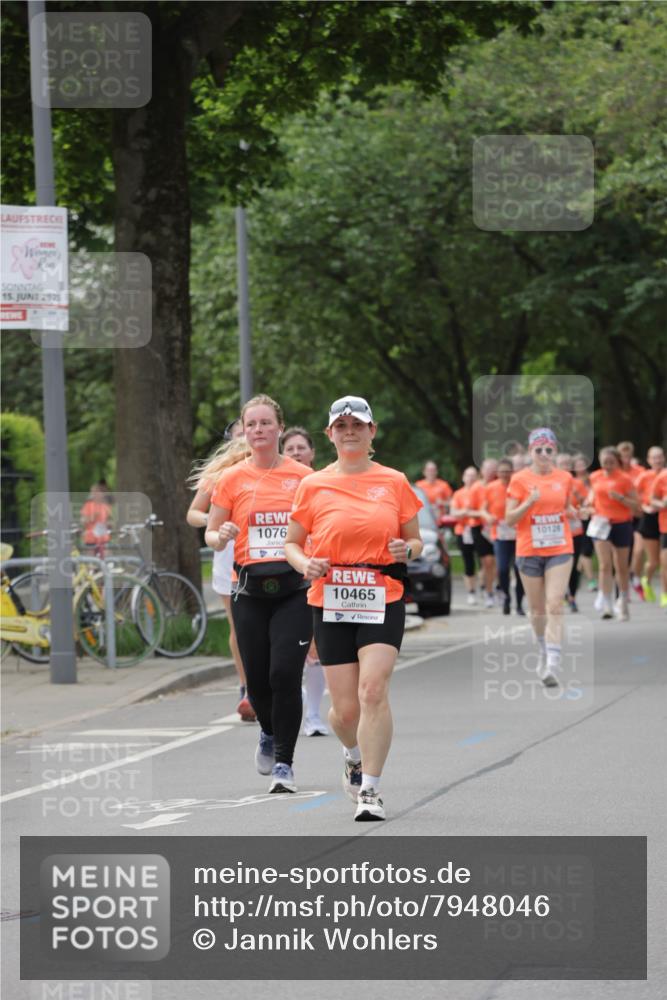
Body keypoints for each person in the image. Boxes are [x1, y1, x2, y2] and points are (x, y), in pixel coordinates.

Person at [285, 395, 423, 821]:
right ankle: (352, 753)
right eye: (341, 426)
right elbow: (290, 542)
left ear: (371, 431)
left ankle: (372, 791)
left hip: (383, 593)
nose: (350, 431)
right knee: (344, 712)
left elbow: (415, 541)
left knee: (373, 691)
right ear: (330, 434)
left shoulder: (395, 481)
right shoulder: (313, 484)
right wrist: (304, 562)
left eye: (357, 425)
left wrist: (408, 549)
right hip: (331, 598)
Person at [205, 394, 312, 794]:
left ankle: (284, 761)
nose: (259, 430)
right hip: (248, 589)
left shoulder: (302, 477)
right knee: (259, 682)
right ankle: (267, 731)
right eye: (252, 424)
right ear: (244, 431)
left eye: (266, 423)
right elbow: (211, 533)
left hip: (294, 588)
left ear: (279, 428)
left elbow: (317, 527)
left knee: (285, 673)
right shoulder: (231, 479)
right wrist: (223, 535)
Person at [187, 420, 256, 722]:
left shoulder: (269, 469)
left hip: (264, 557)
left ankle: (264, 685)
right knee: (239, 626)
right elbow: (193, 514)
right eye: (241, 433)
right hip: (226, 552)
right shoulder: (221, 473)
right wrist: (215, 522)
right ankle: (246, 687)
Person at [505, 428, 576, 687]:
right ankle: (543, 648)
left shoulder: (565, 478)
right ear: (530, 452)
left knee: (555, 604)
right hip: (529, 550)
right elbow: (510, 518)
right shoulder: (519, 480)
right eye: (539, 450)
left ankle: (552, 664)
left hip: (560, 548)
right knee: (537, 611)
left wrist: (577, 511)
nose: (544, 454)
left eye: (549, 449)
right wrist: (529, 502)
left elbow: (565, 506)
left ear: (555, 451)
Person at [282, 426, 328, 737]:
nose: (297, 452)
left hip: (318, 572)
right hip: (283, 573)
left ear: (312, 453)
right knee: (288, 650)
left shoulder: (325, 484)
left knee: (316, 649)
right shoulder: (277, 485)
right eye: (290, 448)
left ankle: (312, 714)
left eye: (302, 448)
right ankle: (293, 704)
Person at [583, 446, 640, 621]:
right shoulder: (594, 477)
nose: (607, 465)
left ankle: (622, 601)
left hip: (621, 524)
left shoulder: (625, 479)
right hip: (601, 524)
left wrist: (621, 498)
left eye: (611, 462)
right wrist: (587, 506)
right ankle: (606, 603)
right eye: (604, 462)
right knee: (604, 565)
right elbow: (591, 499)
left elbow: (636, 506)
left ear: (617, 462)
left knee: (621, 567)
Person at [482, 458, 524, 615]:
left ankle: (519, 603)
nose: (505, 474)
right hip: (499, 534)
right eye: (502, 471)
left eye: (508, 471)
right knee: (502, 568)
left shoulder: (519, 487)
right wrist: (487, 516)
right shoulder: (490, 488)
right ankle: (506, 597)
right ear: (497, 473)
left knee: (519, 569)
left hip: (519, 534)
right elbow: (483, 509)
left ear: (512, 472)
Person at [631, 446, 665, 602]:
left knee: (664, 559)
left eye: (660, 457)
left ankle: (664, 593)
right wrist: (643, 507)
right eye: (654, 457)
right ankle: (646, 579)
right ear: (649, 460)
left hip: (664, 517)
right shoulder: (645, 476)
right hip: (649, 518)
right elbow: (634, 495)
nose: (657, 460)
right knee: (654, 561)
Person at [556, 453, 587, 613]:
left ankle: (572, 597)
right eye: (562, 463)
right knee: (558, 565)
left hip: (574, 531)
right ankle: (559, 594)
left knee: (573, 565)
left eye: (568, 463)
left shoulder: (577, 483)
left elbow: (585, 505)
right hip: (556, 531)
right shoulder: (551, 482)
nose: (565, 466)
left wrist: (580, 501)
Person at [468, 458, 498, 608]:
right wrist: (483, 514)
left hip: (496, 527)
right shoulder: (476, 488)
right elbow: (469, 510)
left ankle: (493, 588)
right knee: (487, 561)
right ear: (482, 471)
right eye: (488, 469)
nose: (491, 472)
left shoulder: (500, 485)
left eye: (494, 469)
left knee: (495, 562)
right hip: (479, 527)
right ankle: (489, 592)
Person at [450, 467, 479, 605]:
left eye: (473, 476)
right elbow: (454, 512)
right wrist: (465, 512)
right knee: (469, 563)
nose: (471, 478)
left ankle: (486, 588)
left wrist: (467, 513)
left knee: (486, 561)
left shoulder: (482, 492)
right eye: (468, 475)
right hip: (463, 530)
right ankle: (471, 592)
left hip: (480, 530)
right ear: (463, 477)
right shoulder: (458, 494)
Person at [572, 453, 596, 592]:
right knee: (585, 551)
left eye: (583, 464)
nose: (581, 468)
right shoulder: (572, 481)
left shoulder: (593, 479)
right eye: (577, 465)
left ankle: (577, 573)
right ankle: (591, 580)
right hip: (580, 519)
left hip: (594, 517)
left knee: (587, 551)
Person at [649, 468, 667, 609]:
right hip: (665, 527)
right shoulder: (662, 477)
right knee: (665, 563)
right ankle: (665, 594)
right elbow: (652, 499)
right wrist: (663, 504)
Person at [80, 483, 113, 558]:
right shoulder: (88, 505)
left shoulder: (106, 506)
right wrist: (93, 517)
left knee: (106, 560)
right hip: (90, 538)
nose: (93, 494)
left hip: (104, 538)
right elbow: (82, 520)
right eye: (92, 492)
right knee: (91, 563)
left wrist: (109, 524)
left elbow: (110, 521)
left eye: (96, 492)